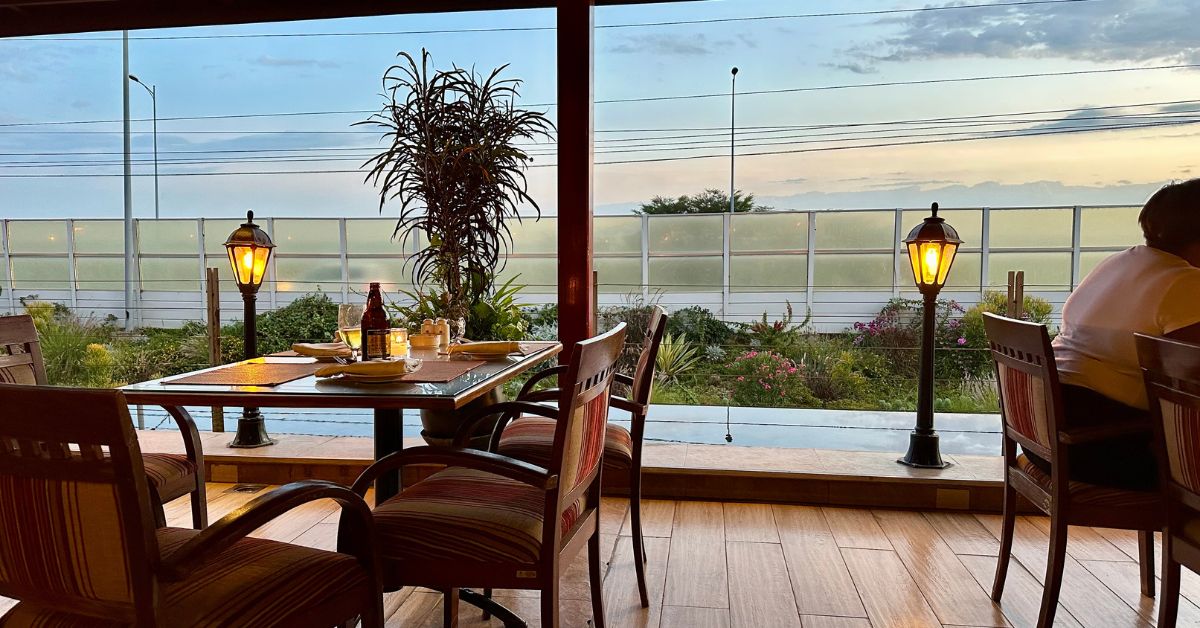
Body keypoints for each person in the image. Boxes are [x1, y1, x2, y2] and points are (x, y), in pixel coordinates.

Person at [1035, 178, 1200, 490]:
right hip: (1098, 447)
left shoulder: (1118, 263)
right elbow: (1191, 377)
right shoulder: (1185, 282)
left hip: (1046, 437)